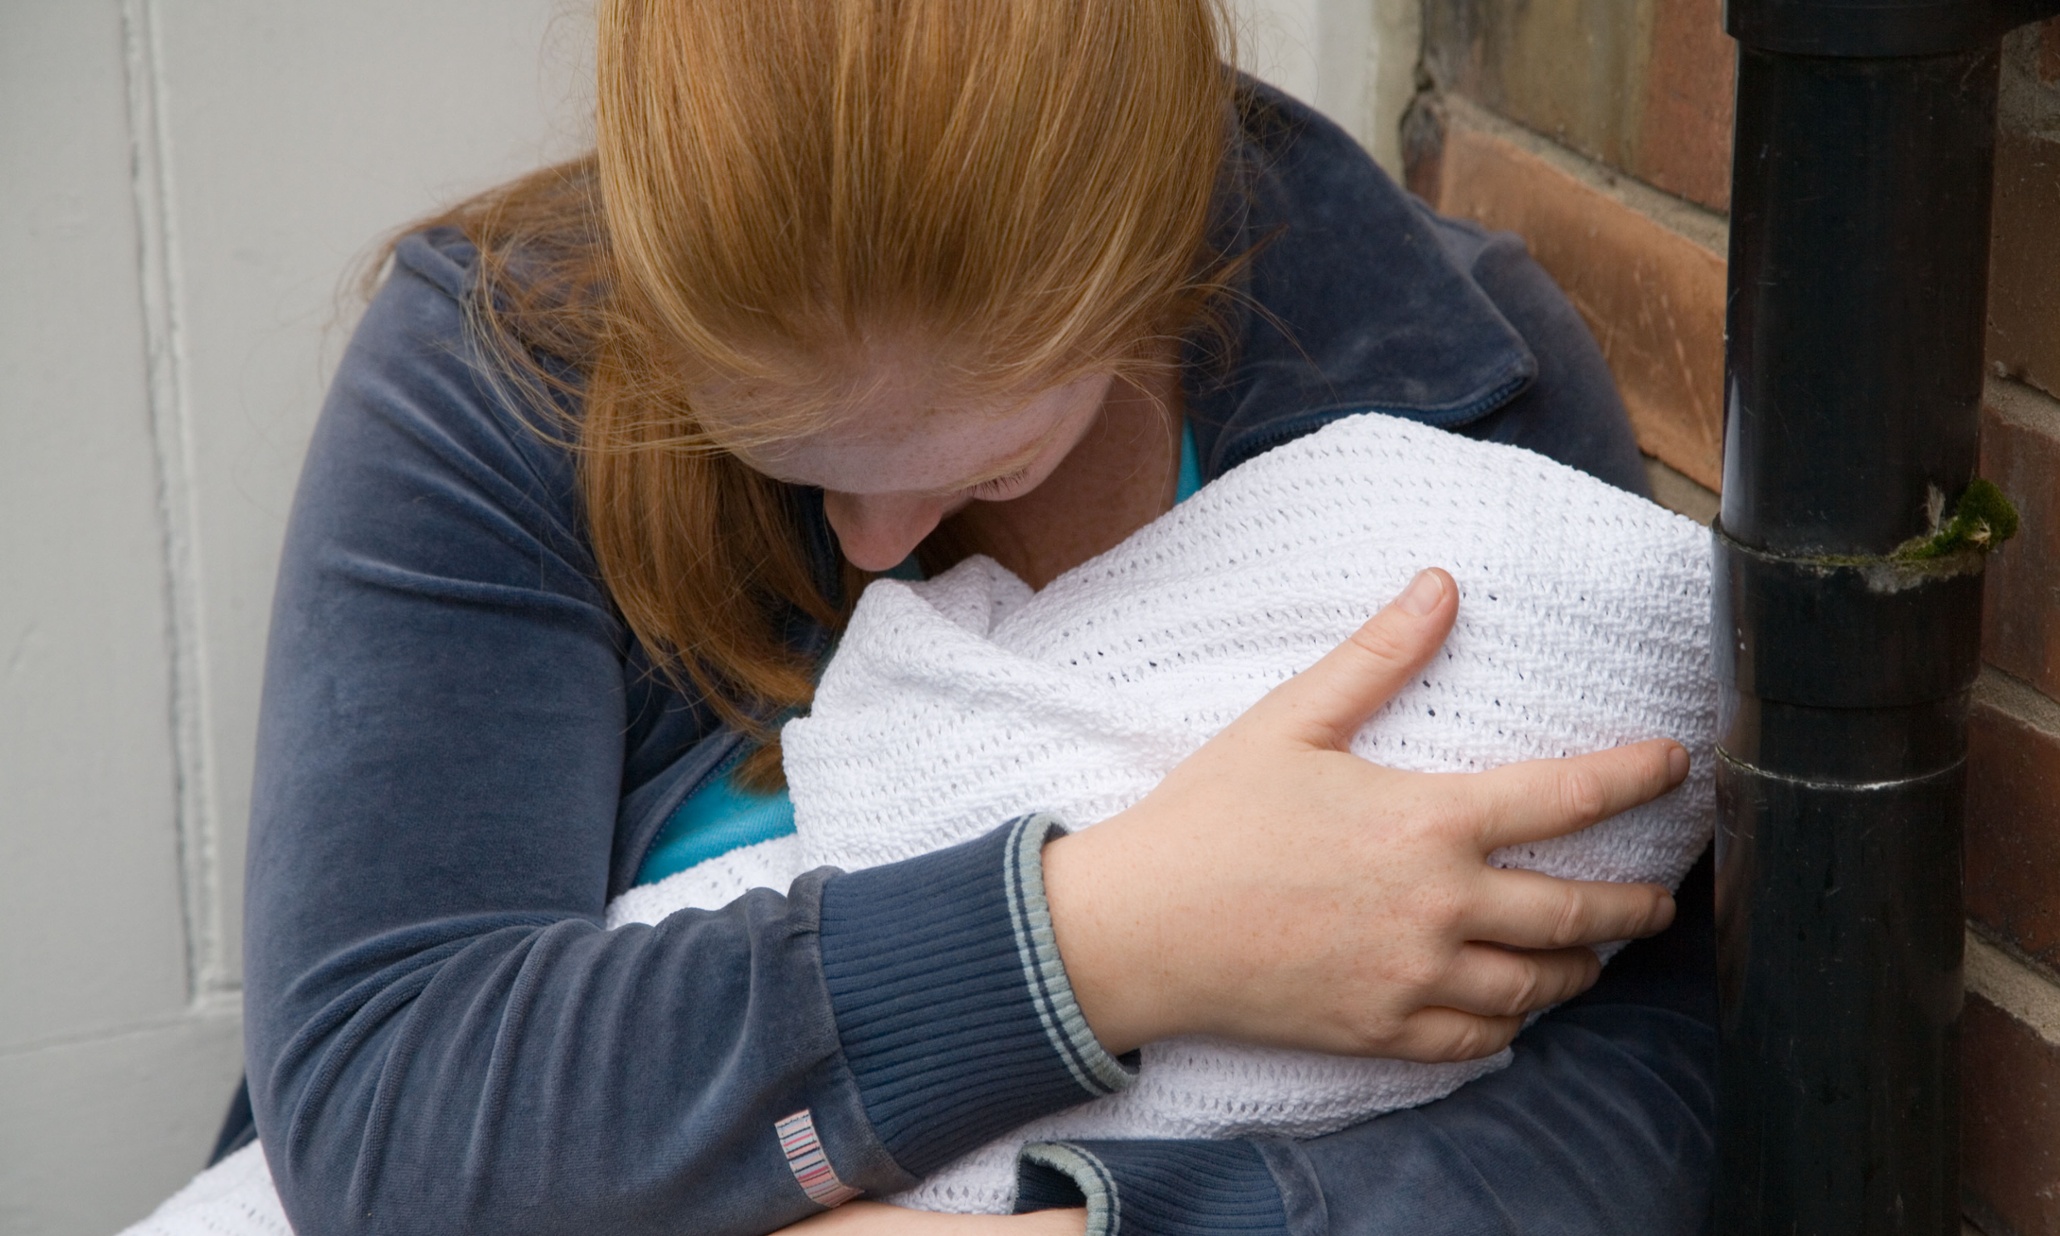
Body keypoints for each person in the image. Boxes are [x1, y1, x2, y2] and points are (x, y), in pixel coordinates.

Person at [235, 1, 1716, 1233]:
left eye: (989, 458)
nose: (872, 548)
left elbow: (1661, 1077)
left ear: (1146, 253)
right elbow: (389, 1110)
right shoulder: (497, 377)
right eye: (783, 456)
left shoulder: (1456, 389)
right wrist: (1108, 938)